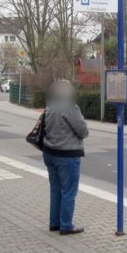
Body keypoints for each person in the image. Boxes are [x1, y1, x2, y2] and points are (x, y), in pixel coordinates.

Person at [42, 80, 89, 235]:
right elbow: (83, 131)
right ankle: (66, 225)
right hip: (67, 155)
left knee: (55, 190)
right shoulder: (70, 107)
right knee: (68, 191)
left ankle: (54, 223)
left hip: (50, 153)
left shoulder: (50, 106)